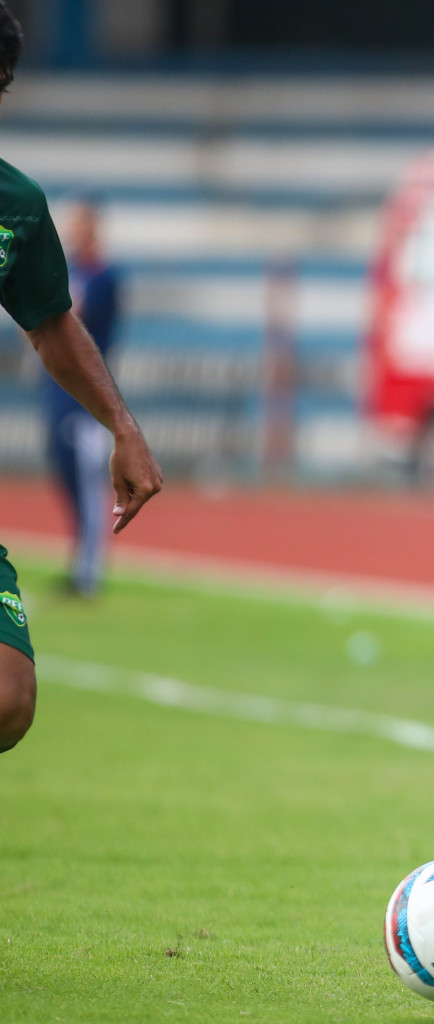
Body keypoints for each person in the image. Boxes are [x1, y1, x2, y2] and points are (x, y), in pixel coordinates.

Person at [0, 1, 162, 754]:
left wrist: (122, 428)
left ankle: (88, 566)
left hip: (67, 409)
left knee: (8, 696)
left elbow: (52, 322)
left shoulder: (16, 207)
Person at [45, 200, 120, 596]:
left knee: (90, 485)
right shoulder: (69, 270)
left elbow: (78, 319)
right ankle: (79, 560)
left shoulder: (104, 275)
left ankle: (89, 572)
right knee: (67, 479)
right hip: (59, 393)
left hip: (87, 398)